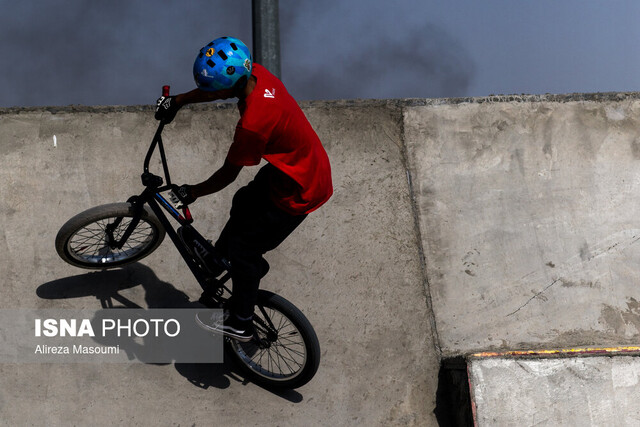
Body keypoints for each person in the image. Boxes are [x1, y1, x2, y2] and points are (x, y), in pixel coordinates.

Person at [154, 37, 333, 341]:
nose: (213, 94)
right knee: (244, 200)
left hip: (299, 191)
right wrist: (179, 101)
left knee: (245, 251)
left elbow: (228, 174)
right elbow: (219, 90)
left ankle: (241, 321)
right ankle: (217, 259)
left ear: (229, 88)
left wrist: (193, 191)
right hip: (294, 169)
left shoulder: (253, 123)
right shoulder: (257, 74)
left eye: (215, 90)